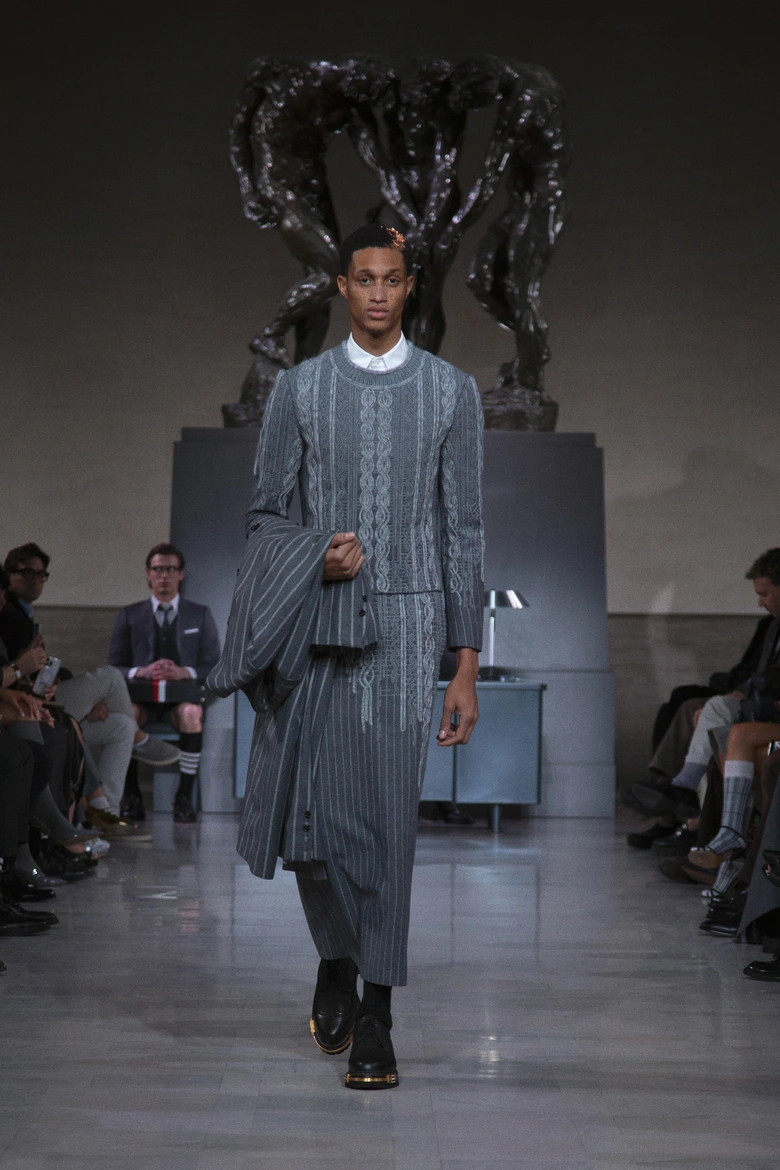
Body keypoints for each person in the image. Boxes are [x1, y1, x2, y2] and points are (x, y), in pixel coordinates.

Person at [210, 223, 484, 1089]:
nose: (377, 293)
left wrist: (465, 662)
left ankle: (378, 1011)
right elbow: (264, 517)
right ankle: (335, 952)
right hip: (317, 625)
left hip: (406, 633)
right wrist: (313, 557)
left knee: (386, 824)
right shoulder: (299, 389)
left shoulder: (451, 391)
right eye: (363, 278)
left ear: (410, 287)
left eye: (391, 279)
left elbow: (463, 530)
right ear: (341, 287)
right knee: (312, 820)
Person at [0, 543, 179, 831]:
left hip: (41, 695)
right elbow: (16, 669)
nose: (35, 580)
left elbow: (36, 666)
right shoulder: (8, 612)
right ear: (10, 575)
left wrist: (54, 676)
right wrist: (27, 669)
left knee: (121, 725)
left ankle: (106, 813)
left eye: (41, 574)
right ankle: (140, 739)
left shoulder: (22, 611)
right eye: (27, 573)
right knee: (110, 676)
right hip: (26, 704)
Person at [625, 549, 780, 822]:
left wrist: (743, 691)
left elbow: (768, 677)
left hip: (767, 707)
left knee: (713, 713)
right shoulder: (771, 626)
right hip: (758, 698)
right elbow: (755, 670)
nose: (760, 602)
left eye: (765, 594)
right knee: (691, 704)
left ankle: (686, 806)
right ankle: (678, 803)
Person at [108, 543, 220, 822]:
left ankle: (184, 797)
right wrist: (140, 671)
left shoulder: (200, 614)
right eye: (158, 569)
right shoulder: (130, 615)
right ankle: (131, 795)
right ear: (148, 573)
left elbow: (214, 666)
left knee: (192, 713)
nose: (164, 576)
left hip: (180, 702)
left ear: (181, 574)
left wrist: (185, 672)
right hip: (142, 700)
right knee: (126, 715)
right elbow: (113, 667)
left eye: (171, 569)